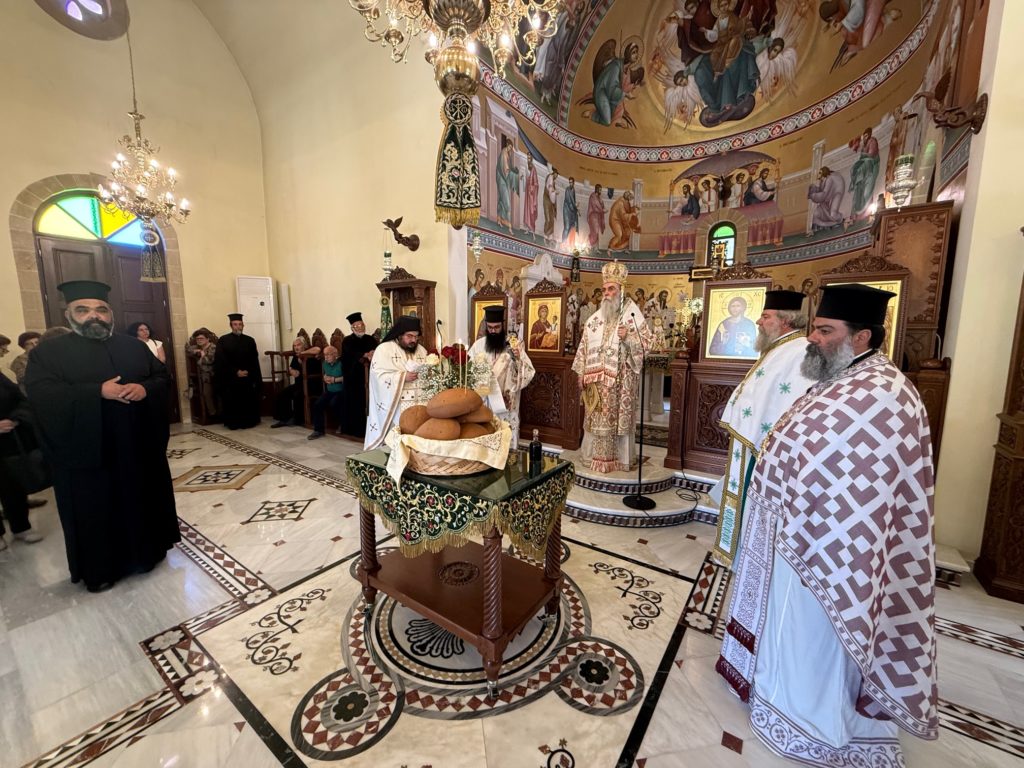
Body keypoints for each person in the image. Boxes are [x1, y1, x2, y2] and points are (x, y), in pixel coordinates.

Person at [717, 284, 937, 766]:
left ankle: (807, 719)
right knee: (790, 625)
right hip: (800, 527)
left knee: (813, 634)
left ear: (861, 337)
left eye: (824, 330)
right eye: (815, 328)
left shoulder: (885, 393)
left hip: (835, 547)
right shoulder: (842, 376)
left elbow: (867, 480)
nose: (813, 338)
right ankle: (777, 695)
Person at [25, 280, 179, 592]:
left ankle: (146, 555)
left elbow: (161, 377)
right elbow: (42, 395)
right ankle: (101, 570)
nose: (93, 316)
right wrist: (96, 391)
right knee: (94, 510)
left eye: (101, 310)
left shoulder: (133, 346)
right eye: (83, 310)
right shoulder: (48, 353)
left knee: (141, 498)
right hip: (88, 453)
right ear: (69, 314)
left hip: (136, 446)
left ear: (110, 314)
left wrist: (144, 389)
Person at [713, 290, 815, 569]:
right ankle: (741, 549)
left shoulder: (799, 351)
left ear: (785, 320)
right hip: (752, 439)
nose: (758, 321)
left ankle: (748, 553)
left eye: (765, 316)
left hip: (765, 445)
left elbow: (790, 402)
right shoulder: (780, 348)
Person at [571, 261, 652, 473]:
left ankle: (618, 459)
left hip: (620, 381)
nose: (606, 293)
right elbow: (584, 347)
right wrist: (581, 374)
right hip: (596, 382)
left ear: (621, 290)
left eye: (611, 289)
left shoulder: (632, 314)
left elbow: (647, 344)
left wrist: (628, 338)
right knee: (596, 418)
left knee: (616, 421)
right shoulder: (594, 319)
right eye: (605, 289)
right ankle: (593, 457)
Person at [468, 306, 536, 448]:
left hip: (506, 404)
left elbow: (529, 371)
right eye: (490, 327)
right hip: (484, 402)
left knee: (506, 442)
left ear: (502, 325)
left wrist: (518, 359)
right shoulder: (478, 346)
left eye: (497, 327)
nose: (493, 331)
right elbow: (468, 372)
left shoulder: (513, 345)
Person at [364, 316, 429, 449]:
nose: (413, 340)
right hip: (396, 404)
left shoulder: (421, 350)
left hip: (420, 403)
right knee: (396, 441)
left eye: (416, 336)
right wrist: (402, 377)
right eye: (409, 336)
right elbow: (378, 377)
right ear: (399, 334)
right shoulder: (384, 349)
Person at [0, 366, 45, 549]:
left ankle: (21, 527)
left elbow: (19, 398)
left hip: (8, 441)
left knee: (13, 485)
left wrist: (15, 418)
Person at [215, 313, 262, 430]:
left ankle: (249, 421)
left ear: (243, 325)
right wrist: (235, 372)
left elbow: (254, 360)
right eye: (235, 324)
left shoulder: (250, 340)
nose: (238, 327)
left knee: (248, 396)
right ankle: (233, 422)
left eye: (240, 324)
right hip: (230, 378)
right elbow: (221, 360)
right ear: (231, 325)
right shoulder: (223, 340)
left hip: (247, 376)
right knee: (232, 397)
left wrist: (248, 371)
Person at [339, 312, 378, 439]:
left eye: (361, 325)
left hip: (369, 377)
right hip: (353, 378)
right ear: (352, 328)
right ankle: (354, 430)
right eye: (357, 326)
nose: (360, 328)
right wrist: (364, 355)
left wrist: (372, 353)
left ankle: (370, 429)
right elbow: (350, 355)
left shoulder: (370, 339)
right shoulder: (347, 341)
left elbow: (376, 351)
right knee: (354, 404)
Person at [270, 337, 322, 428]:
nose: (296, 348)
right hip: (299, 384)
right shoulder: (295, 355)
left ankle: (297, 419)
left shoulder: (310, 352)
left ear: (304, 345)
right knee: (283, 393)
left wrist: (302, 354)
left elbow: (317, 349)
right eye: (294, 346)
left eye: (298, 345)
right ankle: (285, 419)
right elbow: (291, 368)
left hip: (311, 384)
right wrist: (291, 371)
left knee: (297, 394)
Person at [308, 345, 343, 440]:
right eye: (325, 355)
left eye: (328, 354)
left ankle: (342, 425)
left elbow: (347, 377)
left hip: (340, 391)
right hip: (330, 391)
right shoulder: (324, 363)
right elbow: (325, 374)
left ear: (335, 354)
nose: (326, 357)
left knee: (334, 403)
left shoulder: (341, 363)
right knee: (317, 404)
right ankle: (318, 430)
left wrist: (334, 379)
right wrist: (325, 378)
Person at [185, 327, 218, 418]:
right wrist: (198, 351)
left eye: (201, 338)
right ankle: (212, 414)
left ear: (207, 339)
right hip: (204, 376)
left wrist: (202, 357)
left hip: (215, 374)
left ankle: (220, 414)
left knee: (216, 394)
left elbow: (209, 361)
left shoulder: (213, 347)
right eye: (197, 339)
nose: (199, 340)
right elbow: (188, 349)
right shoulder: (198, 347)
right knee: (206, 393)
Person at [807, 165, 847, 231]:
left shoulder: (829, 179)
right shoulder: (822, 181)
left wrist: (813, 196)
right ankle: (828, 225)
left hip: (836, 195)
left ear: (824, 173)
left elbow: (824, 194)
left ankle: (842, 220)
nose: (818, 174)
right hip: (827, 200)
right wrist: (814, 189)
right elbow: (821, 191)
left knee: (833, 214)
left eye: (820, 173)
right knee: (816, 214)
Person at [543, 167, 558, 242]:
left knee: (551, 219)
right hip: (547, 199)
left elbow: (552, 191)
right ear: (553, 173)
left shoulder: (553, 182)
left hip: (551, 202)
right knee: (548, 218)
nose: (556, 177)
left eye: (556, 176)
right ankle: (546, 234)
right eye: (555, 175)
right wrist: (554, 192)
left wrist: (554, 192)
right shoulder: (550, 177)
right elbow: (550, 189)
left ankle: (550, 235)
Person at [562, 177, 580, 242]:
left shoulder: (573, 190)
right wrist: (575, 206)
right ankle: (563, 242)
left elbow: (573, 201)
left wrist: (576, 207)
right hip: (567, 210)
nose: (570, 184)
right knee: (567, 226)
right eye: (569, 182)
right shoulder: (567, 190)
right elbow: (568, 201)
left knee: (572, 226)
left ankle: (569, 242)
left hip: (571, 211)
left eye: (571, 182)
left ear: (573, 183)